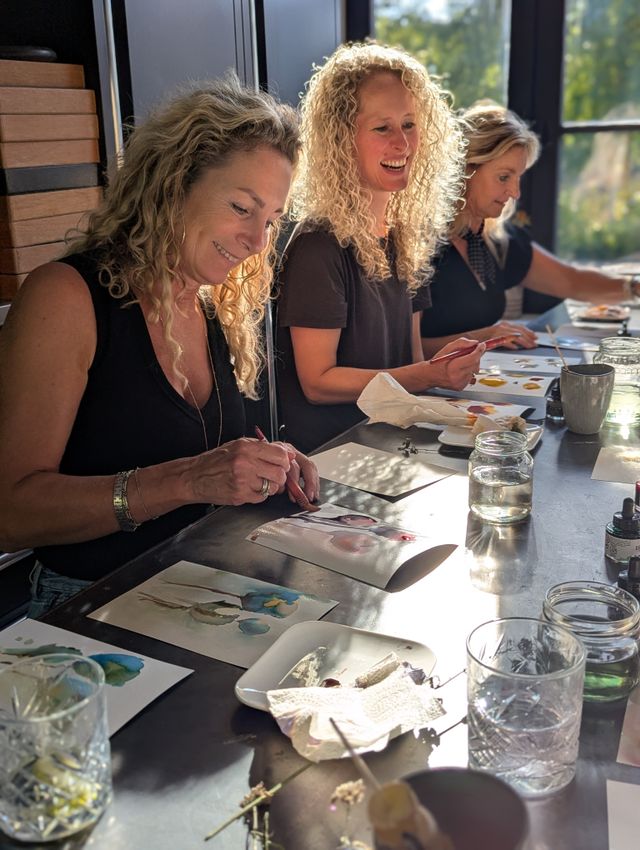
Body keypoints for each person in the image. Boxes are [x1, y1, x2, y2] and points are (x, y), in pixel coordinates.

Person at [0, 75, 318, 618]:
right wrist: (187, 480)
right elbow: (11, 513)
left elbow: (200, 451)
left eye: (271, 220)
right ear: (173, 183)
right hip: (90, 608)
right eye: (241, 207)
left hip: (200, 589)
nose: (257, 242)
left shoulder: (207, 302)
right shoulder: (66, 296)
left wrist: (264, 462)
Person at [276, 42, 485, 453]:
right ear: (341, 139)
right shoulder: (319, 246)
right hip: (335, 456)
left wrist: (441, 365)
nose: (402, 144)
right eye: (382, 128)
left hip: (397, 444)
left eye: (409, 124)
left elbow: (410, 363)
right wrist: (429, 374)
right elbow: (317, 382)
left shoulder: (404, 237)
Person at [420, 101, 635, 357]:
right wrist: (483, 338)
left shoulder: (494, 240)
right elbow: (404, 351)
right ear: (465, 170)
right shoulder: (420, 245)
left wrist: (633, 287)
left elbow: (571, 281)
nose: (515, 192)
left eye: (518, 178)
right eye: (504, 177)